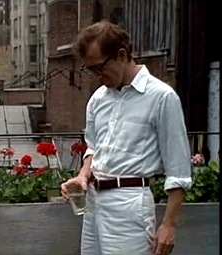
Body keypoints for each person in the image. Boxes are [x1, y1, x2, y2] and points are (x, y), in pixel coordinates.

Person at [60, 20, 192, 255]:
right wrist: (82, 176)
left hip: (130, 204)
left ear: (121, 55)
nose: (96, 76)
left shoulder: (161, 97)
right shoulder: (99, 99)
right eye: (89, 70)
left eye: (99, 68)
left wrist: (169, 224)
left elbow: (179, 169)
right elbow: (93, 148)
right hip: (93, 204)